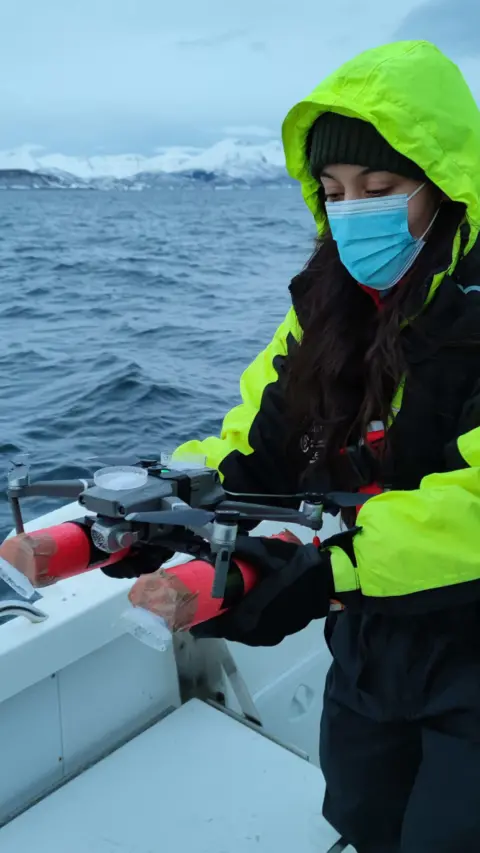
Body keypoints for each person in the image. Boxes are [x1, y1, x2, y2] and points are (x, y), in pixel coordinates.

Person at [107, 40, 480, 852]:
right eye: (335, 191)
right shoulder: (329, 305)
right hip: (372, 642)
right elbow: (264, 437)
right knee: (363, 811)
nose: (354, 212)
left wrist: (329, 566)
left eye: (381, 189)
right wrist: (174, 501)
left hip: (463, 633)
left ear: (446, 187)